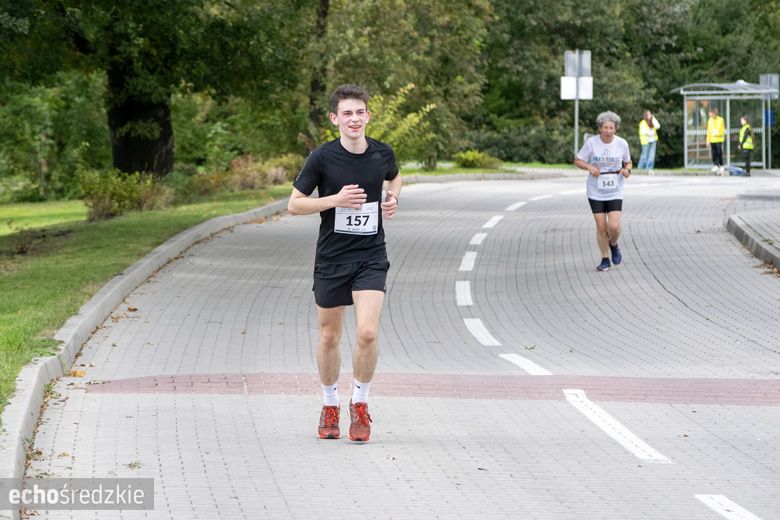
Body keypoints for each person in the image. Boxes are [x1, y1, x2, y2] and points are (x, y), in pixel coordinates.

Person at [288, 84, 401, 442]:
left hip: (370, 256)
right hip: (332, 259)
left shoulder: (382, 153)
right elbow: (294, 204)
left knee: (367, 333)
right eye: (347, 113)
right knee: (330, 336)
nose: (355, 119)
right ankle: (329, 404)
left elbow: (394, 178)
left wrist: (392, 198)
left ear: (368, 115)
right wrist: (334, 200)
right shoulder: (322, 158)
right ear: (335, 119)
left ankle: (361, 403)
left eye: (360, 112)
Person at [573, 111, 632, 272]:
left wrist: (627, 171)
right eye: (605, 127)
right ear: (600, 128)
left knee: (614, 226)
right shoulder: (592, 143)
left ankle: (613, 244)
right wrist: (590, 167)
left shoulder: (622, 144)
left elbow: (628, 162)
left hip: (615, 189)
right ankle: (605, 258)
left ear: (616, 128)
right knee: (601, 226)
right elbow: (577, 160)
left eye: (611, 128)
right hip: (596, 190)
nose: (608, 131)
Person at [637, 110, 660, 174]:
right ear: (646, 116)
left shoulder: (653, 121)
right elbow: (644, 132)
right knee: (644, 156)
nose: (650, 116)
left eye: (650, 114)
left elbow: (658, 126)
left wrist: (653, 119)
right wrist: (650, 134)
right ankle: (640, 168)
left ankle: (649, 168)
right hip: (645, 141)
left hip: (653, 140)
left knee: (651, 156)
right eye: (648, 115)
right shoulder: (643, 123)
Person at [706, 107, 726, 174]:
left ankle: (721, 165)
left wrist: (717, 133)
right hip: (712, 140)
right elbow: (708, 131)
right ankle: (716, 165)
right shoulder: (709, 121)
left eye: (711, 113)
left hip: (719, 139)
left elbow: (722, 130)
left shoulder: (721, 120)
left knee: (719, 152)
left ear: (714, 113)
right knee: (714, 153)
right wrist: (708, 140)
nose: (710, 115)